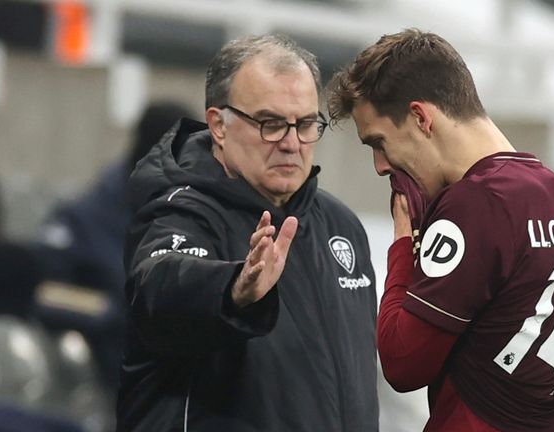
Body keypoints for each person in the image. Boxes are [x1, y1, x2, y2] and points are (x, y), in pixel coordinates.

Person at [327, 29, 554, 431]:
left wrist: (403, 241)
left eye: (379, 142)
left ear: (421, 118)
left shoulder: (477, 203)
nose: (380, 166)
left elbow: (402, 362)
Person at [116, 35, 379, 431]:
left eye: (306, 124)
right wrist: (233, 290)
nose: (292, 143)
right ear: (219, 125)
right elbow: (160, 288)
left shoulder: (341, 227)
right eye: (271, 124)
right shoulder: (181, 213)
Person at [36, 101, 193, 390]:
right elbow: (47, 292)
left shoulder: (193, 218)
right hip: (108, 381)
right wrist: (118, 313)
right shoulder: (83, 221)